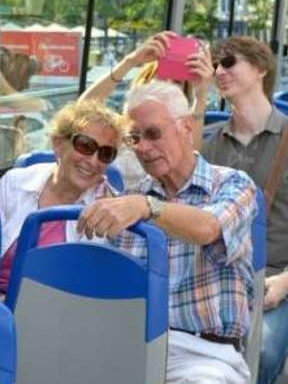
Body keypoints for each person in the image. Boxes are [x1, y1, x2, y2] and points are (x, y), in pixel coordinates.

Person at [78, 80, 258, 384]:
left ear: (186, 128)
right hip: (130, 346)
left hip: (203, 355)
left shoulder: (231, 185)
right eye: (134, 138)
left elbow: (208, 228)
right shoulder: (129, 202)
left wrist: (149, 208)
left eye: (153, 134)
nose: (143, 148)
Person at [199, 36, 288, 384]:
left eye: (228, 62)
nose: (219, 70)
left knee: (260, 352)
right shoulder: (209, 144)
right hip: (217, 277)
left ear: (261, 68)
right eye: (215, 64)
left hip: (277, 279)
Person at [0, 100, 126, 293]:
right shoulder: (14, 183)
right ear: (58, 144)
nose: (93, 161)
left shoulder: (108, 209)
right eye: (85, 146)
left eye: (105, 153)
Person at [80, 31, 213, 189]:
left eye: (176, 82)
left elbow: (191, 148)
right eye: (162, 77)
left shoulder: (180, 131)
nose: (168, 85)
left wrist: (201, 95)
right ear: (146, 80)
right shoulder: (121, 127)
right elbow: (83, 110)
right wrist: (130, 62)